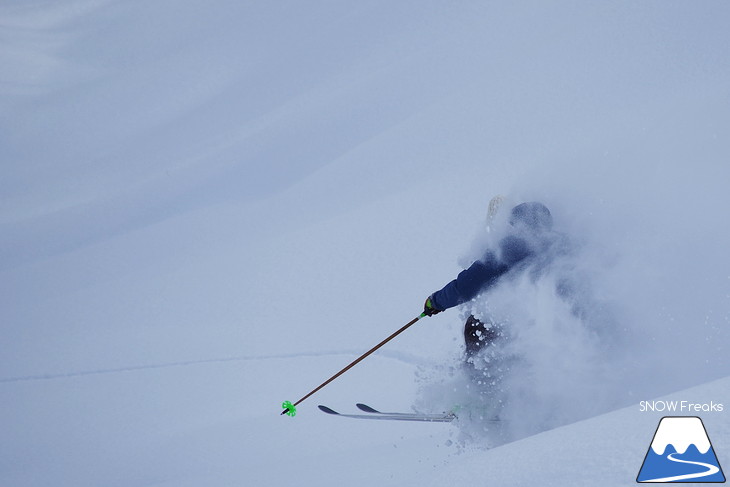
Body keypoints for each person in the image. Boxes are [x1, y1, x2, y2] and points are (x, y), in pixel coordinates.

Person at [422, 201, 559, 360]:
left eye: (513, 224)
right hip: (555, 323)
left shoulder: (512, 247)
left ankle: (482, 379)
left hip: (521, 324)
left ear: (523, 225)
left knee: (477, 326)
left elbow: (469, 284)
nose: (511, 228)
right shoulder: (562, 246)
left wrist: (436, 302)